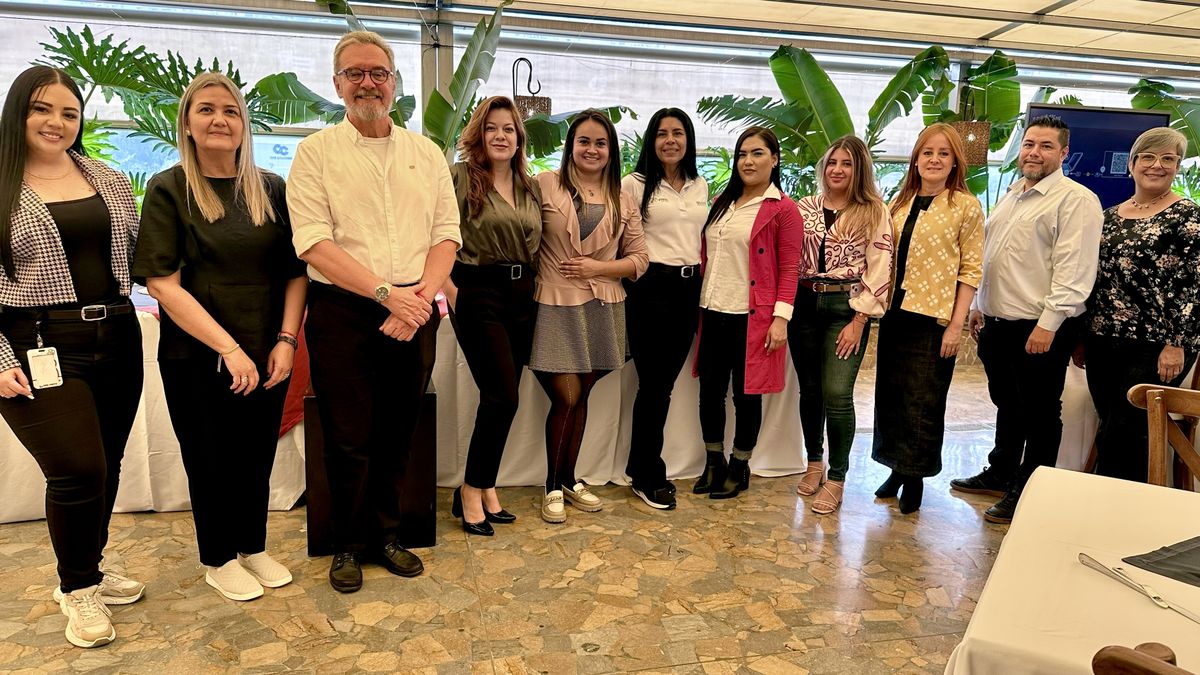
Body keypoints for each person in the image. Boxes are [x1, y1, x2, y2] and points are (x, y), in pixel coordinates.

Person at [287, 31, 461, 592]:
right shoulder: (314, 154)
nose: (368, 82)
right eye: (356, 73)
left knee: (397, 430)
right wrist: (388, 295)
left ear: (394, 83)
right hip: (344, 311)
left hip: (414, 306)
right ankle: (346, 544)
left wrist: (415, 301)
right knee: (346, 433)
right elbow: (314, 244)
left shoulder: (426, 153)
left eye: (378, 73)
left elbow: (446, 236)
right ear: (337, 84)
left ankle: (387, 536)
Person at [133, 73, 307, 600]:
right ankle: (217, 556)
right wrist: (228, 349)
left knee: (255, 455)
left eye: (230, 111)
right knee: (210, 458)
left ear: (243, 123)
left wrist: (284, 341)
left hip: (267, 347)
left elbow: (296, 273)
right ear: (186, 122)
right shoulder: (169, 188)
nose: (219, 120)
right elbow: (163, 283)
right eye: (206, 109)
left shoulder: (270, 188)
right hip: (197, 353)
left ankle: (251, 545)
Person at [0, 65, 144, 648]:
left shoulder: (106, 178)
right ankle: (77, 588)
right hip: (33, 343)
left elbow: (141, 257)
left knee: (104, 464)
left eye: (68, 112)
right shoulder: (1, 184)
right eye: (42, 109)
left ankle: (91, 567)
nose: (56, 122)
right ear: (18, 112)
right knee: (77, 467)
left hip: (116, 333)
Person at [951, 115, 1102, 523]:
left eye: (1046, 146)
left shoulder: (1075, 200)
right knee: (1008, 404)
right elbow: (993, 257)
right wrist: (980, 304)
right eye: (1030, 144)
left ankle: (1029, 489)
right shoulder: (1014, 194)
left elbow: (1074, 271)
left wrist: (1048, 325)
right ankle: (1001, 471)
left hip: (1039, 326)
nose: (1035, 152)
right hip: (998, 323)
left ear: (1064, 153)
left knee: (1039, 411)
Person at [531, 109, 648, 524]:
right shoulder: (545, 184)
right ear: (571, 146)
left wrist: (599, 268)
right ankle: (551, 484)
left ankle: (569, 479)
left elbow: (640, 259)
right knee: (568, 395)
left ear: (611, 151)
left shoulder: (623, 197)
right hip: (555, 304)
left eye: (601, 143)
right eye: (584, 141)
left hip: (603, 306)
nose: (592, 149)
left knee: (583, 395)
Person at [871, 123, 984, 514]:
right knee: (892, 396)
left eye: (943, 153)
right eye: (927, 153)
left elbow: (971, 269)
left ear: (955, 162)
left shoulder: (965, 206)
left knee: (924, 401)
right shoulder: (899, 202)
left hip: (933, 319)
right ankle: (896, 468)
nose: (934, 160)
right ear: (915, 159)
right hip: (895, 314)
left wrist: (956, 324)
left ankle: (915, 476)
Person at [442, 96, 541, 535]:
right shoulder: (460, 177)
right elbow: (435, 236)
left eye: (509, 129)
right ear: (479, 135)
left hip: (524, 295)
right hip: (477, 290)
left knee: (501, 399)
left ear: (519, 139)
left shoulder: (529, 185)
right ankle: (470, 490)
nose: (501, 136)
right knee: (503, 396)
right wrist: (450, 293)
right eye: (492, 128)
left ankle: (485, 486)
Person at [1079, 127, 1199, 482]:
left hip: (1157, 345)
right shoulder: (1111, 215)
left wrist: (1175, 345)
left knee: (1129, 426)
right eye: (1148, 157)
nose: (1157, 166)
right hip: (1104, 337)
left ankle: (1123, 507)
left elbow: (1193, 287)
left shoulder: (1188, 216)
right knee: (1110, 420)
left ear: (1177, 166)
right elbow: (1095, 279)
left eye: (1168, 159)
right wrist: (1084, 335)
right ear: (1132, 164)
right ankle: (1108, 501)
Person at [695, 126, 803, 500]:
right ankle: (713, 462)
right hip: (713, 310)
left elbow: (791, 267)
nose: (748, 161)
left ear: (774, 159)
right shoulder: (723, 203)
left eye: (757, 153)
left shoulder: (783, 210)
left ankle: (740, 466)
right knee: (709, 392)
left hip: (752, 318)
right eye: (742, 154)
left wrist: (780, 318)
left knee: (747, 395)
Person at [791, 135, 891, 514]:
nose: (837, 170)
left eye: (846, 163)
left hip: (845, 307)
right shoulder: (805, 207)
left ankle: (837, 477)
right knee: (810, 391)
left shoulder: (873, 210)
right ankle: (813, 462)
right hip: (804, 302)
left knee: (837, 393)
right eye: (832, 162)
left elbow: (880, 266)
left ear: (859, 169)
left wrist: (859, 318)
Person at [621, 108, 708, 510]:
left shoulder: (700, 185)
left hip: (691, 290)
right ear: (650, 141)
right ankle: (645, 473)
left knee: (664, 386)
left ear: (688, 140)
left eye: (678, 133)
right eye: (661, 133)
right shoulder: (633, 185)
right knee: (654, 385)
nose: (670, 140)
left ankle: (643, 465)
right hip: (649, 288)